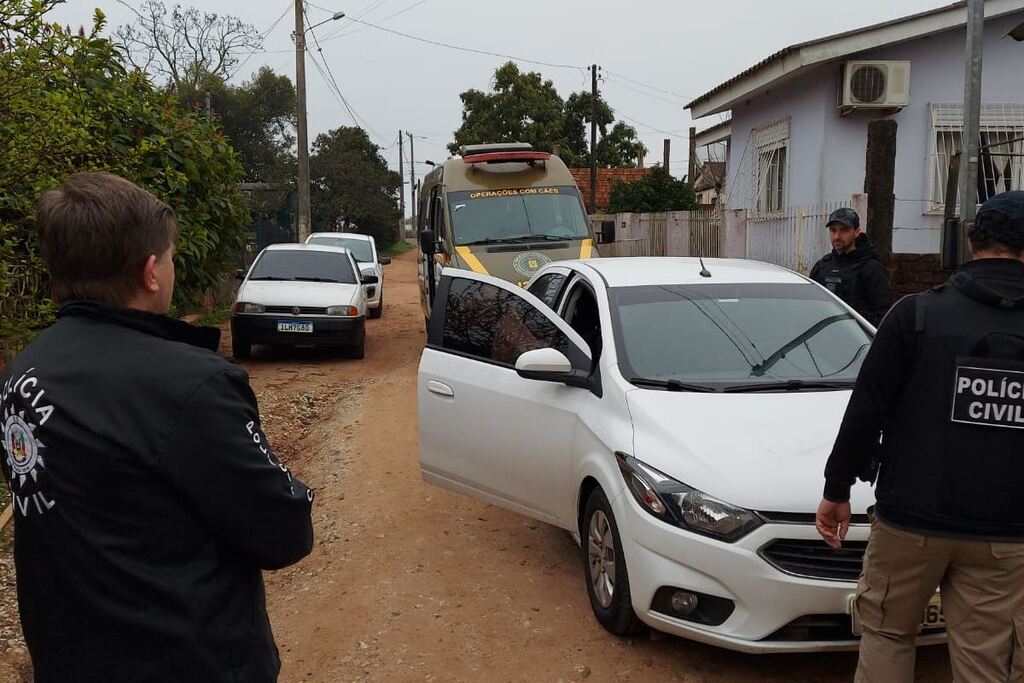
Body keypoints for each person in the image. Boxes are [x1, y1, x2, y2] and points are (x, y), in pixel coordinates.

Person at [0, 172, 314, 682]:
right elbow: (283, 533)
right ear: (150, 272)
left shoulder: (24, 372)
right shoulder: (193, 384)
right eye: (169, 257)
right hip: (189, 662)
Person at [815, 190, 1024, 683]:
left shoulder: (915, 315)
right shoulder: (910, 312)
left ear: (970, 242)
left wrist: (836, 489)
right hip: (1006, 533)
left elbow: (866, 410)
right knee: (988, 659)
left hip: (910, 522)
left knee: (887, 635)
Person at [809, 207, 893, 326]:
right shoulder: (821, 267)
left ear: (857, 232)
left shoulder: (870, 268)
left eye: (844, 230)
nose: (837, 236)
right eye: (833, 230)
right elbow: (809, 306)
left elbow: (884, 313)